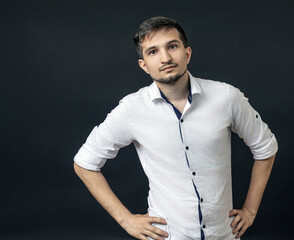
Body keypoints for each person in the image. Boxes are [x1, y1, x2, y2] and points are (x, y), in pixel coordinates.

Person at [73, 16, 278, 240]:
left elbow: (265, 148)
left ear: (187, 53)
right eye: (153, 51)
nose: (166, 58)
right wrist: (125, 219)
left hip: (224, 234)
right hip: (168, 236)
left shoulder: (227, 97)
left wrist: (250, 210)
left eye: (172, 46)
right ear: (144, 65)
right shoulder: (131, 109)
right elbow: (85, 163)